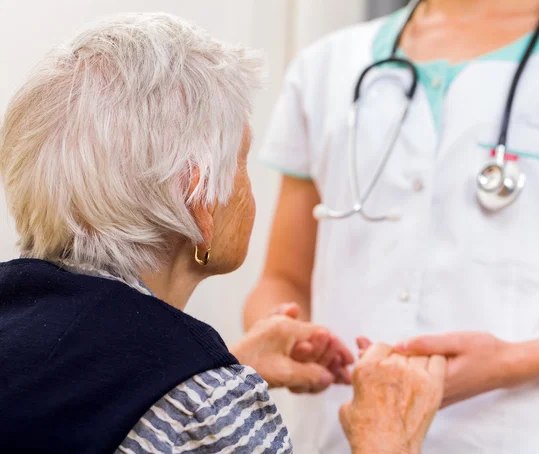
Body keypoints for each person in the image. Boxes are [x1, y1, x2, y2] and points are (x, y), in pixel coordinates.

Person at [245, 0, 539, 452]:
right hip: (345, 436)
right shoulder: (327, 67)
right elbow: (282, 278)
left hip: (536, 436)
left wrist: (512, 362)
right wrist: (283, 333)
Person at [0, 13, 362, 453]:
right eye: (242, 161)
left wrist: (208, 370)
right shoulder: (206, 404)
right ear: (199, 201)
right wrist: (387, 434)